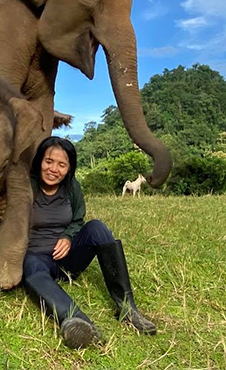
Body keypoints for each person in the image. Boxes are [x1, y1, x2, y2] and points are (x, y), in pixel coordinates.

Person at [22, 136, 156, 349]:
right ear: (39, 161)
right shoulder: (24, 185)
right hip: (36, 259)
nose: (53, 169)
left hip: (67, 261)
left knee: (97, 227)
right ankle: (78, 323)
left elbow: (77, 220)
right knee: (30, 265)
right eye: (49, 161)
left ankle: (128, 309)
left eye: (61, 164)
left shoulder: (72, 187)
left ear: (69, 168)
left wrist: (67, 236)